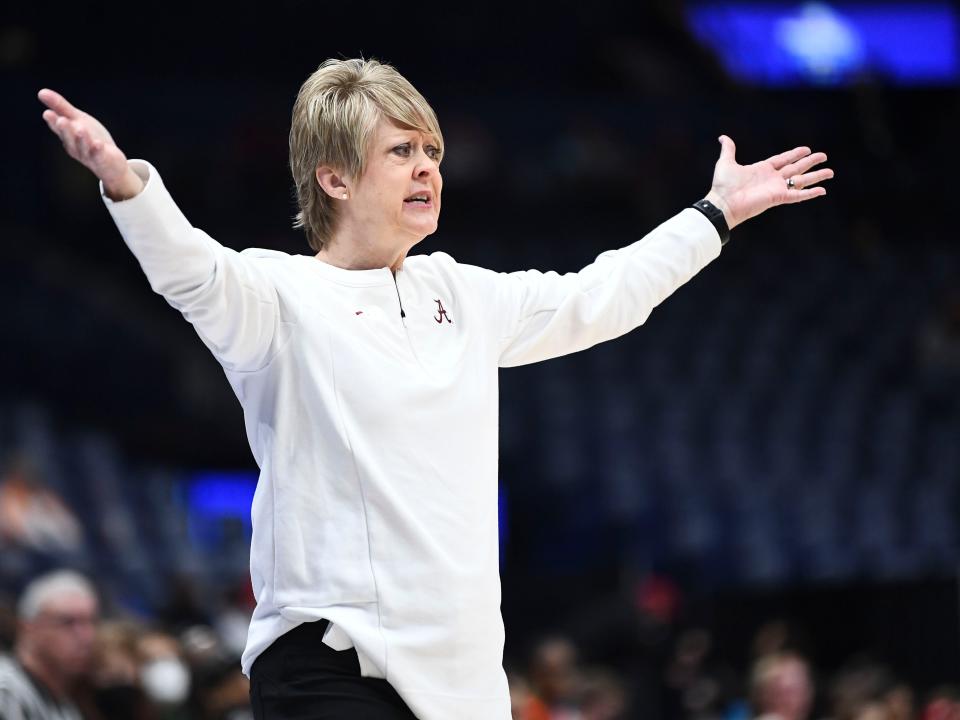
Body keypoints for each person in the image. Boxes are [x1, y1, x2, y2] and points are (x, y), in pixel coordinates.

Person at [37, 57, 833, 719]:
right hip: (330, 666)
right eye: (401, 152)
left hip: (463, 678)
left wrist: (715, 212)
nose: (428, 168)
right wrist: (127, 185)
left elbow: (602, 295)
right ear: (336, 179)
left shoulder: (465, 295)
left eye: (433, 152)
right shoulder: (276, 297)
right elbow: (192, 272)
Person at [0, 570, 98, 720]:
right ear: (28, 628)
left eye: (89, 622)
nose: (86, 636)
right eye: (67, 622)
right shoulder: (6, 691)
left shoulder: (66, 704)